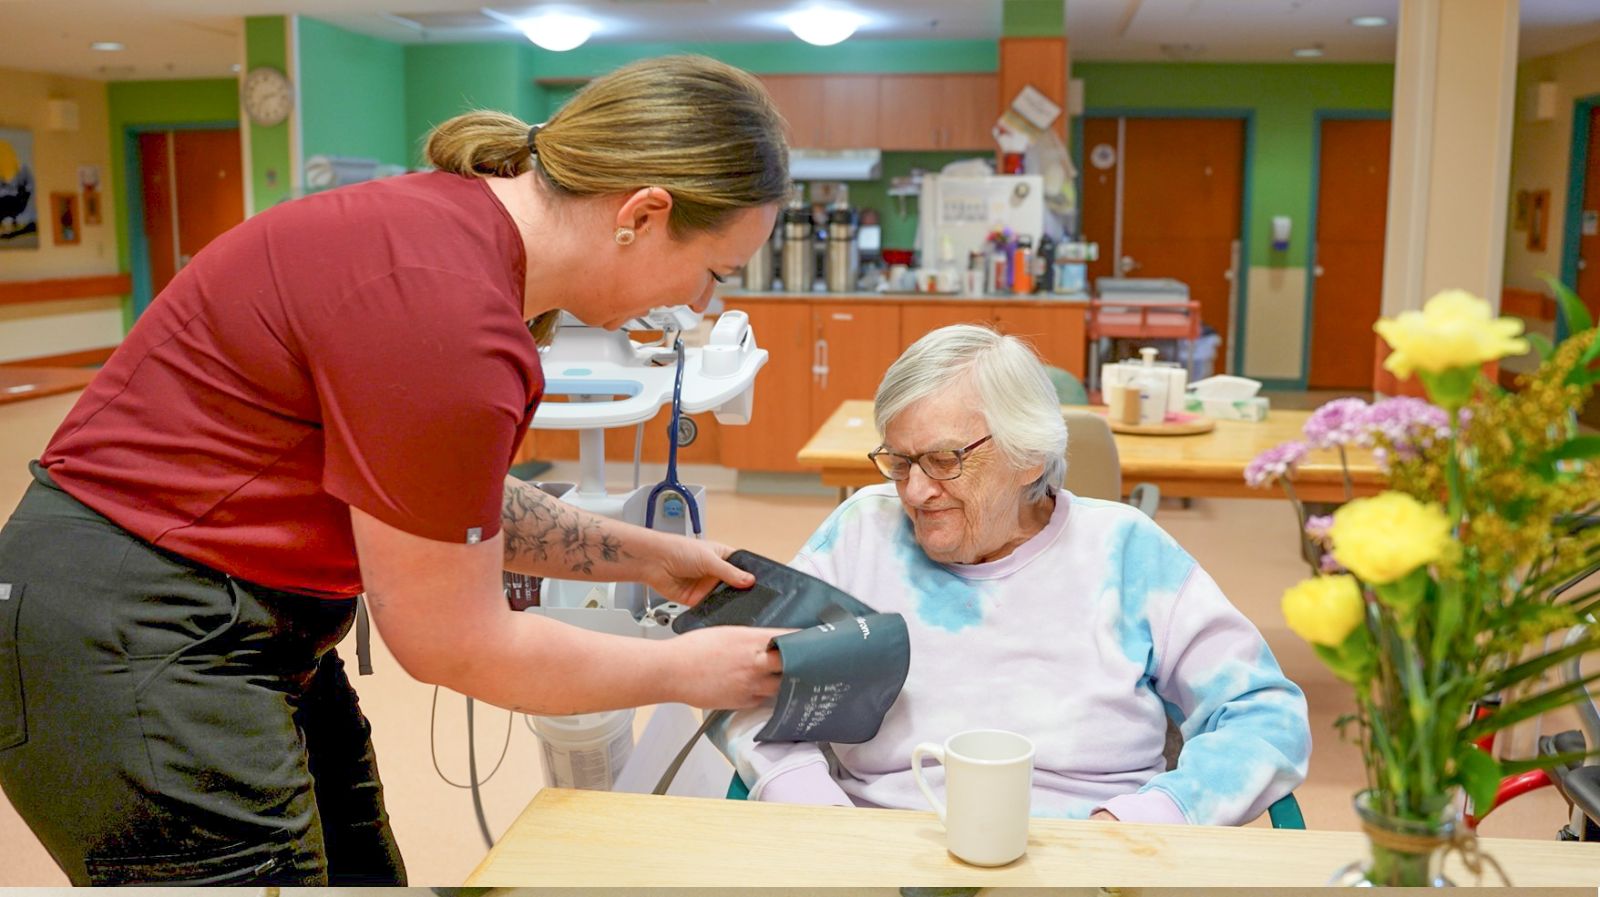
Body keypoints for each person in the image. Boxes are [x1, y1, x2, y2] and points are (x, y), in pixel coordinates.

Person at [0, 55, 791, 885]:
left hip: (234, 612)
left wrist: (649, 555)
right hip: (132, 627)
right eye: (715, 274)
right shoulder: (446, 308)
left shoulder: (448, 232)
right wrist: (694, 671)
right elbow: (459, 644)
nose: (702, 303)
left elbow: (432, 498)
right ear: (644, 212)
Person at [717, 325, 1310, 825]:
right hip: (883, 851)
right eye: (899, 462)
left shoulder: (1126, 552)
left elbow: (1263, 715)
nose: (916, 492)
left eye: (944, 460)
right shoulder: (859, 535)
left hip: (1092, 859)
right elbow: (742, 683)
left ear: (1028, 454)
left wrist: (1145, 820)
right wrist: (816, 806)